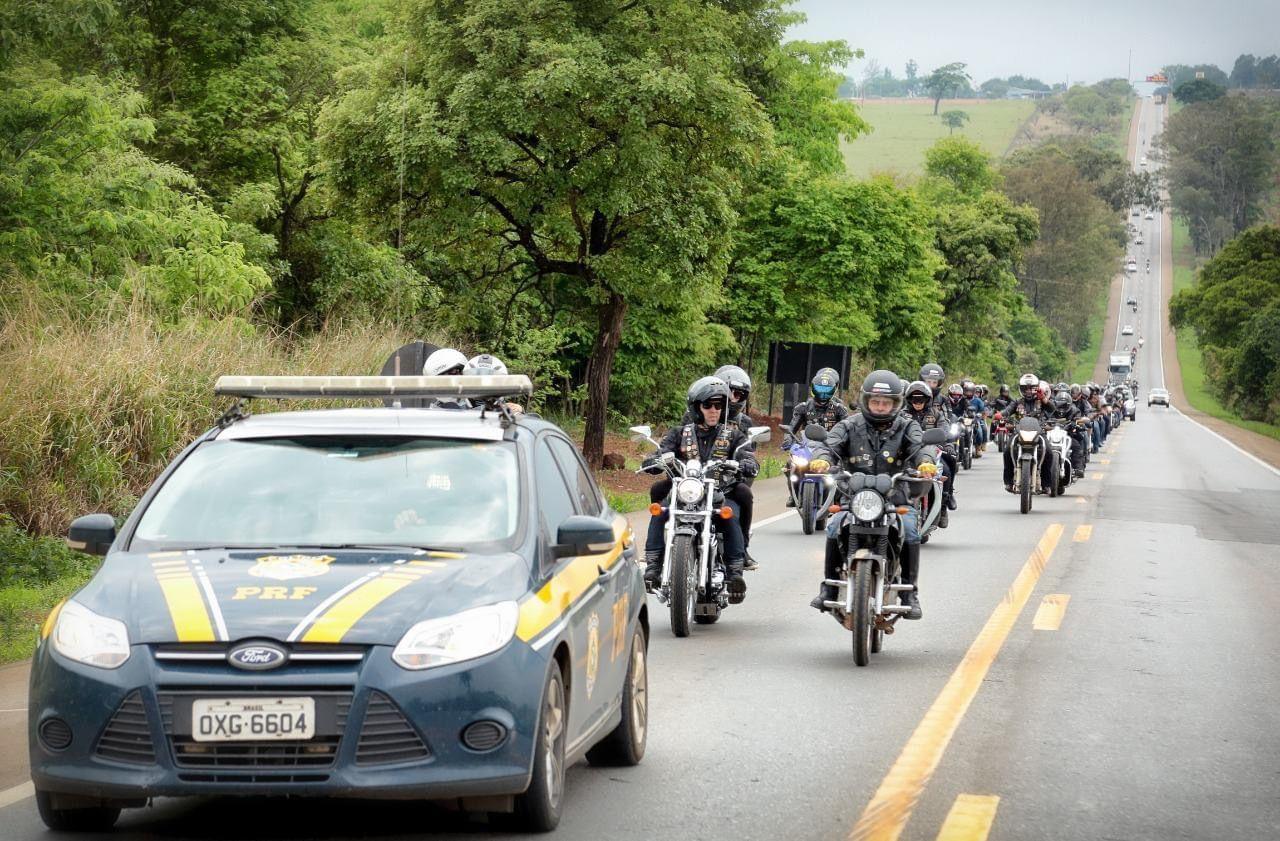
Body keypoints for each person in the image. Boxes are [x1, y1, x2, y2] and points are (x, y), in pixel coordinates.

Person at [807, 371, 937, 620]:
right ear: (866, 401)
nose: (880, 407)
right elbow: (829, 445)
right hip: (854, 497)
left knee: (910, 528)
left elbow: (922, 447)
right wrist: (822, 460)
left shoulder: (907, 425)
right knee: (834, 526)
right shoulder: (849, 424)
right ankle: (830, 587)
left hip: (895, 496)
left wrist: (925, 463)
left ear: (895, 403)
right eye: (876, 401)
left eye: (885, 402)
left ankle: (910, 593)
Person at [642, 377, 757, 601]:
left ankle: (735, 572)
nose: (714, 410)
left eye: (718, 405)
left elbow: (747, 453)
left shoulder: (733, 435)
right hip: (687, 492)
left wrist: (748, 463)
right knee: (660, 510)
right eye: (708, 405)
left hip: (720, 492)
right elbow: (662, 451)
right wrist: (653, 461)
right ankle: (653, 566)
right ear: (697, 407)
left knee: (730, 515)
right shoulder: (679, 433)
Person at [714, 365, 758, 570]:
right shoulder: (696, 415)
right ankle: (658, 553)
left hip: (730, 479)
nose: (732, 398)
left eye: (738, 394)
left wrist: (746, 463)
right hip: (697, 479)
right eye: (728, 391)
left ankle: (743, 549)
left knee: (745, 494)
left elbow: (749, 451)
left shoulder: (744, 422)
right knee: (662, 492)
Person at [903, 381, 957, 520]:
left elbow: (944, 430)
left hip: (934, 451)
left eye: (921, 398)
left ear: (928, 399)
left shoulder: (937, 414)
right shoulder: (902, 415)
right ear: (909, 399)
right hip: (908, 452)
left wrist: (948, 443)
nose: (918, 401)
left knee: (947, 465)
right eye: (914, 398)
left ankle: (945, 502)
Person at [1002, 373, 1054, 493]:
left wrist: (1044, 399)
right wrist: (1000, 415)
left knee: (1049, 452)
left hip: (1039, 431)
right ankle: (1009, 482)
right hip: (1019, 431)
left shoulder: (1041, 401)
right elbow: (1008, 411)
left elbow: (1052, 409)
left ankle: (1046, 484)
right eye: (1026, 389)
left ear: (1036, 388)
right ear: (1022, 389)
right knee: (1007, 451)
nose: (1029, 391)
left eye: (1031, 388)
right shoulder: (1017, 401)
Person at [784, 367, 850, 448]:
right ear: (813, 389)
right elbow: (791, 428)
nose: (823, 395)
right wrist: (788, 438)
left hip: (831, 449)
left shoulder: (840, 409)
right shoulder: (802, 408)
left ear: (833, 390)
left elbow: (847, 431)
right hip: (807, 447)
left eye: (827, 391)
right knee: (791, 460)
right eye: (820, 390)